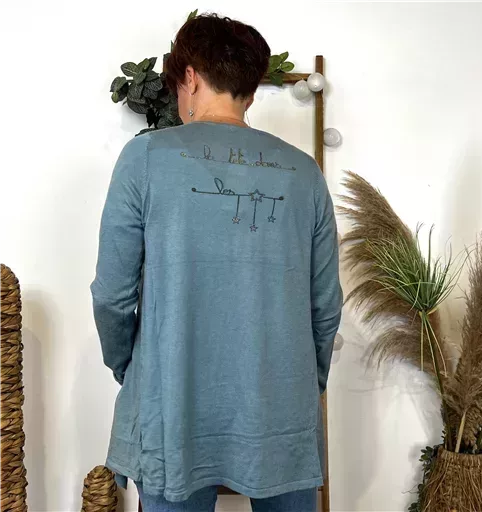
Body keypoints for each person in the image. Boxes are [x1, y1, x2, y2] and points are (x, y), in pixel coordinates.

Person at [91, 13, 342, 512]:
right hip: (283, 411)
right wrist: (300, 383)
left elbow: (112, 297)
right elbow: (326, 307)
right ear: (249, 91)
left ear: (188, 76)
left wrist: (133, 369)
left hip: (172, 406)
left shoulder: (145, 158)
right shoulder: (304, 172)